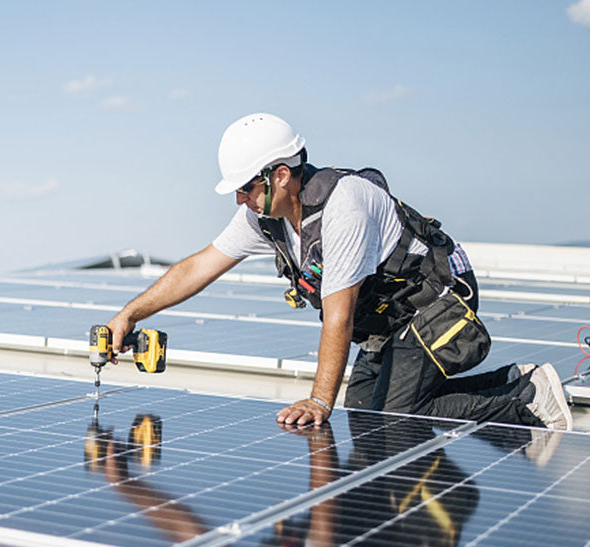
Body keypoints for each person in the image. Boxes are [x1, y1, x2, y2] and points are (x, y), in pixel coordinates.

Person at [105, 113, 572, 430]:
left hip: (440, 302)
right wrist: (130, 314)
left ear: (280, 175)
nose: (240, 200)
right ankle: (511, 383)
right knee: (365, 414)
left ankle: (526, 397)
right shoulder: (263, 216)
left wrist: (317, 400)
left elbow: (339, 315)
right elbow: (199, 266)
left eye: (246, 187)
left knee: (394, 419)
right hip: (392, 321)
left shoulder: (342, 205)